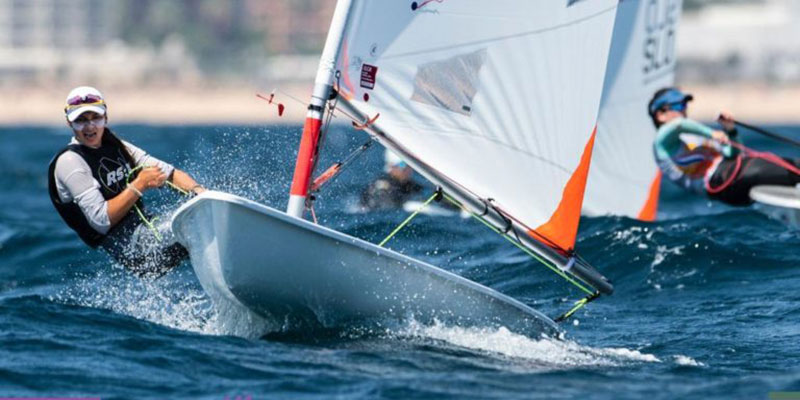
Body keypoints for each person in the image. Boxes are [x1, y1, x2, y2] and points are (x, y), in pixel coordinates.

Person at [48, 86, 205, 277]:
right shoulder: (70, 162)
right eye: (81, 120)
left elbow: (169, 173)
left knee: (201, 218)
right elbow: (101, 221)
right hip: (133, 253)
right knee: (197, 227)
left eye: (96, 118)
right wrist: (139, 184)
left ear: (106, 117)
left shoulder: (116, 145)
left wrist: (200, 192)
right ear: (69, 123)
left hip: (147, 229)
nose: (89, 126)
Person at [649, 87, 800, 206]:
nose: (684, 109)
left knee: (789, 164)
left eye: (685, 105)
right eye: (678, 105)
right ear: (661, 115)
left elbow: (734, 154)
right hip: (722, 184)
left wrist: (731, 130)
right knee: (762, 166)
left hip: (733, 177)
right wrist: (711, 133)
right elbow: (678, 124)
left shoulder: (694, 139)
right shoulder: (661, 144)